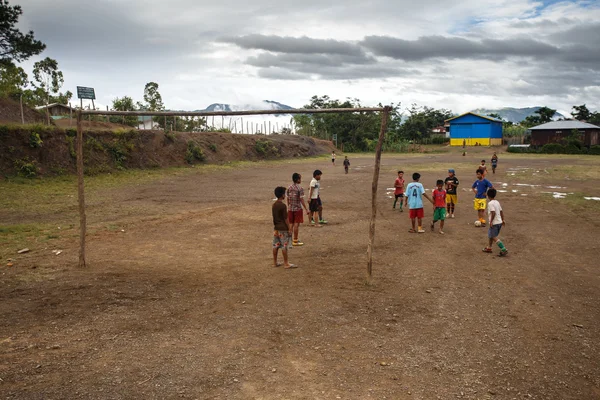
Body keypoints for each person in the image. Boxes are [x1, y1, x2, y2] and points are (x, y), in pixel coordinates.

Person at [272, 186, 295, 268]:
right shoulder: (283, 206)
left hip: (276, 228)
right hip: (283, 228)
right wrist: (289, 228)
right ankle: (286, 263)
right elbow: (286, 218)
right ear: (282, 195)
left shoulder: (274, 205)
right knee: (284, 246)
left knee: (275, 245)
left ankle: (275, 262)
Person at [482, 188, 508, 256]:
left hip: (494, 223)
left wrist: (491, 222)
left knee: (493, 236)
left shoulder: (490, 203)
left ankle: (503, 249)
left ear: (488, 195)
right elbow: (501, 211)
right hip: (499, 222)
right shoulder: (497, 202)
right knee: (490, 235)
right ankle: (489, 248)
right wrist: (503, 220)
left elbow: (493, 213)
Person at [286, 173, 309, 247]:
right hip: (297, 208)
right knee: (296, 224)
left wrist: (288, 205)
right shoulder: (300, 188)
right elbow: (301, 199)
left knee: (291, 224)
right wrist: (306, 208)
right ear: (297, 179)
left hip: (290, 208)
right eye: (300, 178)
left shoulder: (289, 187)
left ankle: (289, 240)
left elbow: (288, 198)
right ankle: (295, 240)